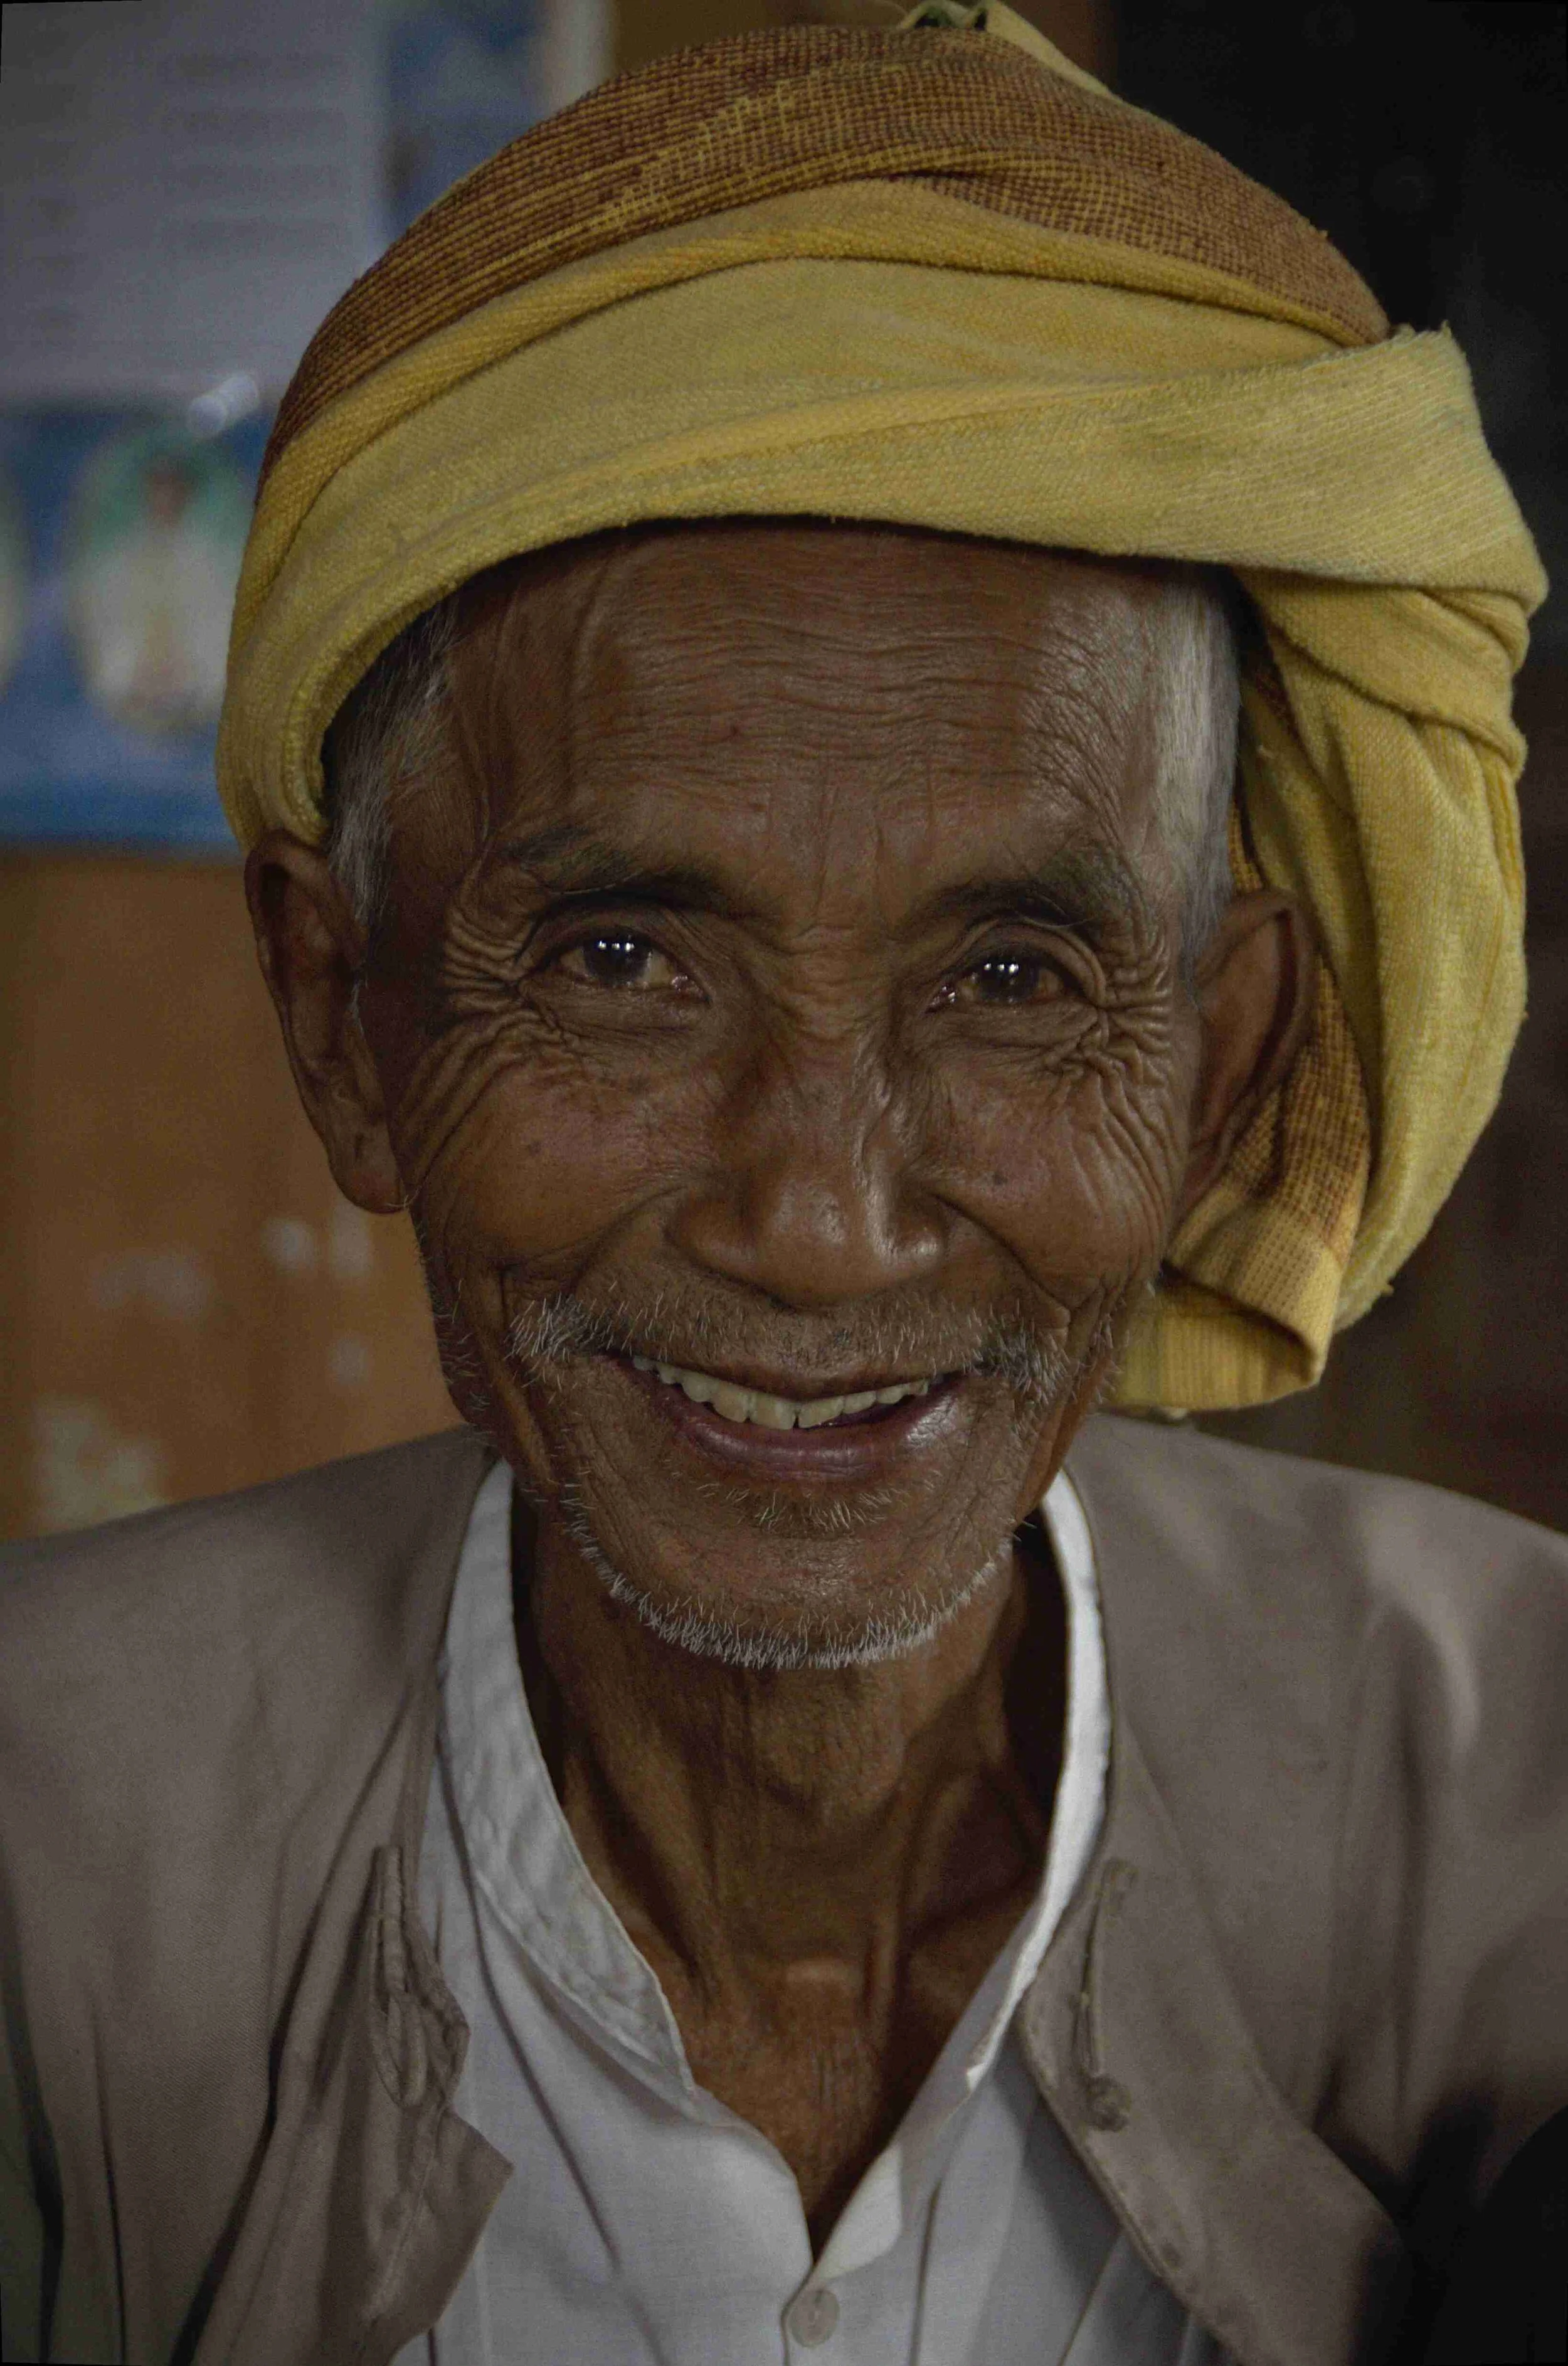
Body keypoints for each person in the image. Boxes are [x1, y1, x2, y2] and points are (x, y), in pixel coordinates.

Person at [2, 9, 1563, 2363]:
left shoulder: (1518, 1809)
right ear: (349, 1020)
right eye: (627, 960)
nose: (821, 1215)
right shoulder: (50, 1878)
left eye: (1018, 975)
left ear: (1225, 1064)